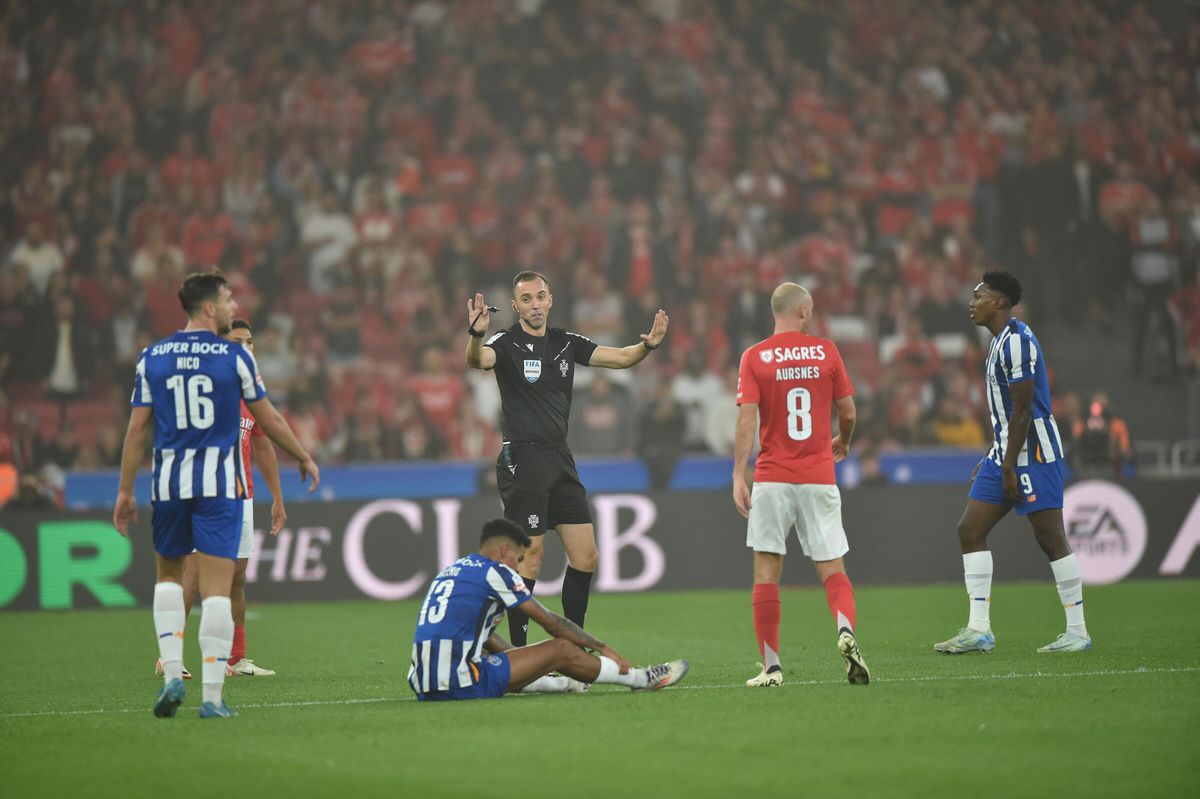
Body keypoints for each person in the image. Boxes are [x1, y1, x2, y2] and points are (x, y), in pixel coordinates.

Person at [113, 272, 320, 719]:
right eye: (227, 299)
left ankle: (171, 676)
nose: (231, 305)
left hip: (169, 482)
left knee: (168, 578)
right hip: (223, 486)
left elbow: (135, 431)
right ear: (208, 308)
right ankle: (210, 697)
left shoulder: (154, 356)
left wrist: (126, 489)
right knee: (217, 589)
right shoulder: (234, 358)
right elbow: (269, 420)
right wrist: (302, 456)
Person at [465, 271, 668, 647]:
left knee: (586, 556)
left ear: (551, 299)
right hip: (522, 457)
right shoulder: (504, 342)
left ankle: (570, 648)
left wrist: (649, 346)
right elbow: (478, 360)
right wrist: (476, 335)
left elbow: (622, 359)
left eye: (540, 296)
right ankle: (520, 655)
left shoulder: (565, 343)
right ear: (515, 306)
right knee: (532, 557)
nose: (535, 304)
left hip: (560, 458)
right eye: (526, 299)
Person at [934, 271, 1092, 655]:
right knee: (969, 529)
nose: (972, 302)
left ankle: (1078, 631)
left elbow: (1023, 411)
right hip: (1005, 451)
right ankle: (979, 630)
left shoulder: (1019, 342)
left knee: (1050, 537)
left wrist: (1008, 466)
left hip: (1034, 453)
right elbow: (1007, 415)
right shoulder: (998, 343)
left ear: (1000, 302)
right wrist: (994, 455)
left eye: (979, 296)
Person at [732, 283, 869, 688]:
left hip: (772, 478)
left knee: (766, 572)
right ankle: (845, 630)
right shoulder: (826, 352)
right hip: (818, 476)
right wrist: (844, 441)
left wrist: (739, 473)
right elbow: (848, 412)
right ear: (804, 311)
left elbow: (746, 421)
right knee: (832, 568)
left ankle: (771, 667)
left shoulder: (755, 356)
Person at [407, 518, 689, 701]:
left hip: (424, 683)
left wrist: (533, 664)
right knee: (561, 650)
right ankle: (641, 679)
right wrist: (601, 646)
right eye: (518, 559)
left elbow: (488, 639)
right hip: (458, 682)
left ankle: (565, 683)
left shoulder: (453, 570)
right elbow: (552, 623)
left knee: (510, 658)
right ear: (504, 551)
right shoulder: (495, 573)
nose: (519, 567)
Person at [154, 318, 288, 680]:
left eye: (250, 341)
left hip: (242, 495)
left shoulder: (252, 395)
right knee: (194, 575)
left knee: (238, 579)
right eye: (238, 341)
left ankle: (236, 657)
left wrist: (277, 496)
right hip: (207, 494)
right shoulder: (208, 389)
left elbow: (262, 444)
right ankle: (171, 657)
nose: (246, 347)